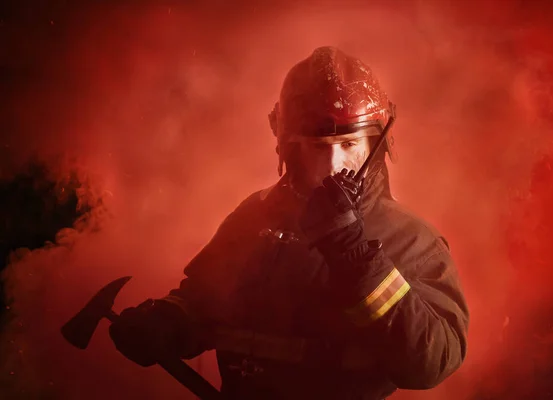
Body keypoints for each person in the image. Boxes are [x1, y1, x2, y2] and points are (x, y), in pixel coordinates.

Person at [109, 46, 470, 399]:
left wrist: (354, 253)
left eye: (349, 143)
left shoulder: (411, 240)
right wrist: (167, 323)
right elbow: (205, 298)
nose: (334, 165)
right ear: (289, 146)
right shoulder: (255, 215)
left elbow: (431, 362)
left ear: (377, 141)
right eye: (317, 146)